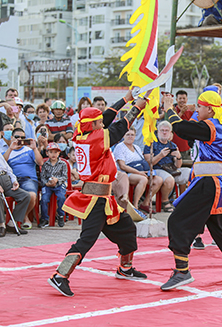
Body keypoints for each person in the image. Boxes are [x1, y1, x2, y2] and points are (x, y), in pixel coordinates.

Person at [47, 91, 148, 297]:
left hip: (104, 198)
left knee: (127, 228)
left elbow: (107, 118)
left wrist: (126, 98)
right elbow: (120, 127)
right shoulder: (95, 140)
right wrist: (137, 107)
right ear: (92, 125)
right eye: (98, 122)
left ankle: (125, 268)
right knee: (87, 240)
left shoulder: (82, 134)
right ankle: (60, 275)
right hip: (96, 200)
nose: (102, 124)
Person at [160, 90, 222, 290]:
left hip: (208, 183)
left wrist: (169, 108)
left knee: (177, 221)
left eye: (199, 107)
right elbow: (190, 134)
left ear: (209, 109)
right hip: (216, 183)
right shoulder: (218, 125)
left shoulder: (210, 126)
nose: (196, 110)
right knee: (219, 230)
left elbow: (180, 128)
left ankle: (182, 271)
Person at [143, 121, 190, 211]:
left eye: (167, 131)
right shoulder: (151, 143)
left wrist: (179, 157)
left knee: (190, 173)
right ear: (158, 132)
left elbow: (178, 166)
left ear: (170, 133)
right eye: (162, 130)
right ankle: (165, 201)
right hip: (157, 169)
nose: (164, 132)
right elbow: (148, 163)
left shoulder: (173, 145)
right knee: (169, 179)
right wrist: (160, 155)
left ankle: (185, 198)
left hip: (172, 169)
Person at [113, 127, 162, 212]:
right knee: (143, 179)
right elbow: (122, 166)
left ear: (135, 136)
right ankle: (135, 206)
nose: (130, 137)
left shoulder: (137, 147)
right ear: (123, 136)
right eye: (128, 134)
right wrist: (139, 173)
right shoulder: (120, 147)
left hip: (139, 171)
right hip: (125, 173)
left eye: (132, 135)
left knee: (158, 180)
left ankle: (145, 203)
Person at [4, 128, 43, 229]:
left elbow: (40, 163)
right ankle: (23, 218)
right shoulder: (8, 151)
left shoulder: (29, 150)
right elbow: (2, 164)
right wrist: (11, 149)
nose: (20, 139)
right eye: (17, 137)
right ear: (12, 137)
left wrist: (35, 148)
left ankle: (21, 217)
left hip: (28, 179)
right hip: (13, 181)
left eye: (23, 138)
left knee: (31, 196)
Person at [39, 143, 68, 228]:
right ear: (47, 153)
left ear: (59, 153)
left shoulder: (63, 164)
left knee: (61, 197)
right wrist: (46, 183)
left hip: (59, 185)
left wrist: (57, 180)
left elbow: (64, 176)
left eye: (55, 152)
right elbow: (43, 176)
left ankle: (61, 215)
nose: (53, 154)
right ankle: (45, 218)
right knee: (44, 199)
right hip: (48, 185)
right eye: (51, 152)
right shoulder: (45, 164)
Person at [170, 90, 194, 161]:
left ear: (187, 99)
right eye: (180, 98)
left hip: (187, 147)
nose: (182, 100)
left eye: (184, 98)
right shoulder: (172, 111)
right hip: (174, 146)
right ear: (176, 100)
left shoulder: (190, 112)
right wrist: (181, 113)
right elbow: (171, 124)